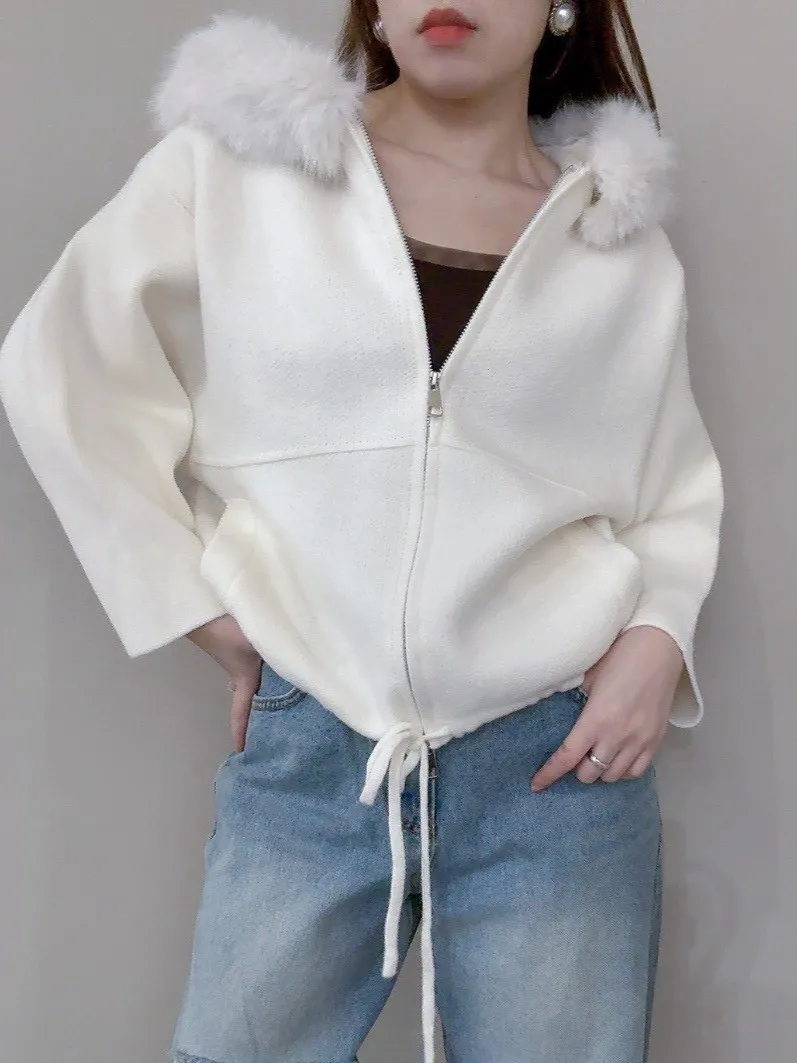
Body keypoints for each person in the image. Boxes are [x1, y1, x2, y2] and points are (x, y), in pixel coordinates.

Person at [0, 2, 723, 1061]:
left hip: (555, 770)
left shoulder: (615, 243)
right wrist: (190, 602)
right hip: (313, 747)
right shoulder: (238, 168)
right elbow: (61, 368)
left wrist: (656, 639)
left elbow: (671, 489)